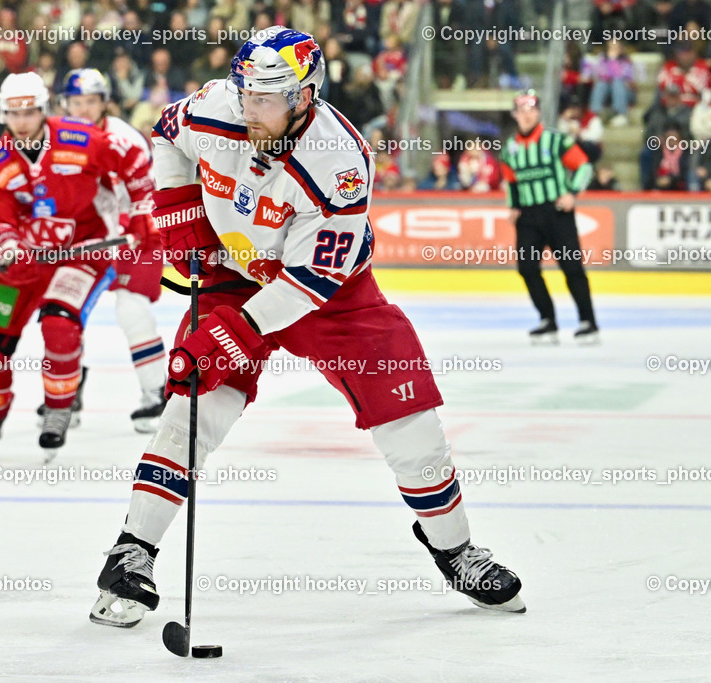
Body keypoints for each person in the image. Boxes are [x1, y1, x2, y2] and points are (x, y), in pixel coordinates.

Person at [89, 26, 525, 628]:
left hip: (330, 293)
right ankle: (131, 552)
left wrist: (236, 328)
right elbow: (168, 135)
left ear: (303, 97)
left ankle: (455, 550)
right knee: (193, 409)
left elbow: (309, 283)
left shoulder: (340, 161)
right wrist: (181, 208)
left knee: (412, 425)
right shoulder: (221, 105)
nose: (248, 106)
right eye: (244, 91)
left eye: (264, 96)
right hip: (234, 273)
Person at [0, 72, 155, 460]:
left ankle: (59, 411)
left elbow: (135, 158)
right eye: (14, 113)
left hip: (83, 252)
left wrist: (141, 211)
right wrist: (8, 245)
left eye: (29, 111)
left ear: (43, 110)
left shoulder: (79, 137)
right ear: (2, 115)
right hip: (27, 261)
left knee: (59, 325)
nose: (22, 120)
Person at [59, 68, 168, 433]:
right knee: (64, 311)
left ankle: (157, 393)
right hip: (91, 235)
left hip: (139, 233)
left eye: (91, 101)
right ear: (66, 104)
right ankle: (66, 390)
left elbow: (149, 188)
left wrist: (137, 223)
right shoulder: (58, 139)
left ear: (104, 102)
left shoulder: (123, 137)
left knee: (131, 307)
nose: (84, 109)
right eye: (77, 102)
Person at [499, 90, 598, 344]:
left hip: (557, 212)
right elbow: (511, 181)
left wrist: (573, 192)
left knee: (572, 267)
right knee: (527, 268)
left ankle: (588, 322)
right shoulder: (510, 148)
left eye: (531, 109)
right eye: (522, 110)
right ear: (515, 115)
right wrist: (513, 206)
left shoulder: (556, 140)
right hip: (528, 217)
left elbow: (584, 165)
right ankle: (548, 320)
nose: (527, 114)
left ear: (539, 112)